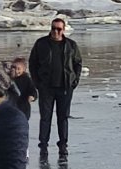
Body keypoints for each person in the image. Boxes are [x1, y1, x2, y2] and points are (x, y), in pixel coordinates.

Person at [29, 17, 82, 158]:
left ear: (63, 30)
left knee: (62, 117)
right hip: (46, 87)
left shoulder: (71, 45)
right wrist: (37, 83)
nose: (55, 32)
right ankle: (43, 146)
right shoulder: (41, 44)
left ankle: (63, 145)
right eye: (53, 28)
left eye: (59, 29)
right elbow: (32, 63)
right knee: (45, 118)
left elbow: (78, 63)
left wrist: (75, 81)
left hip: (65, 87)